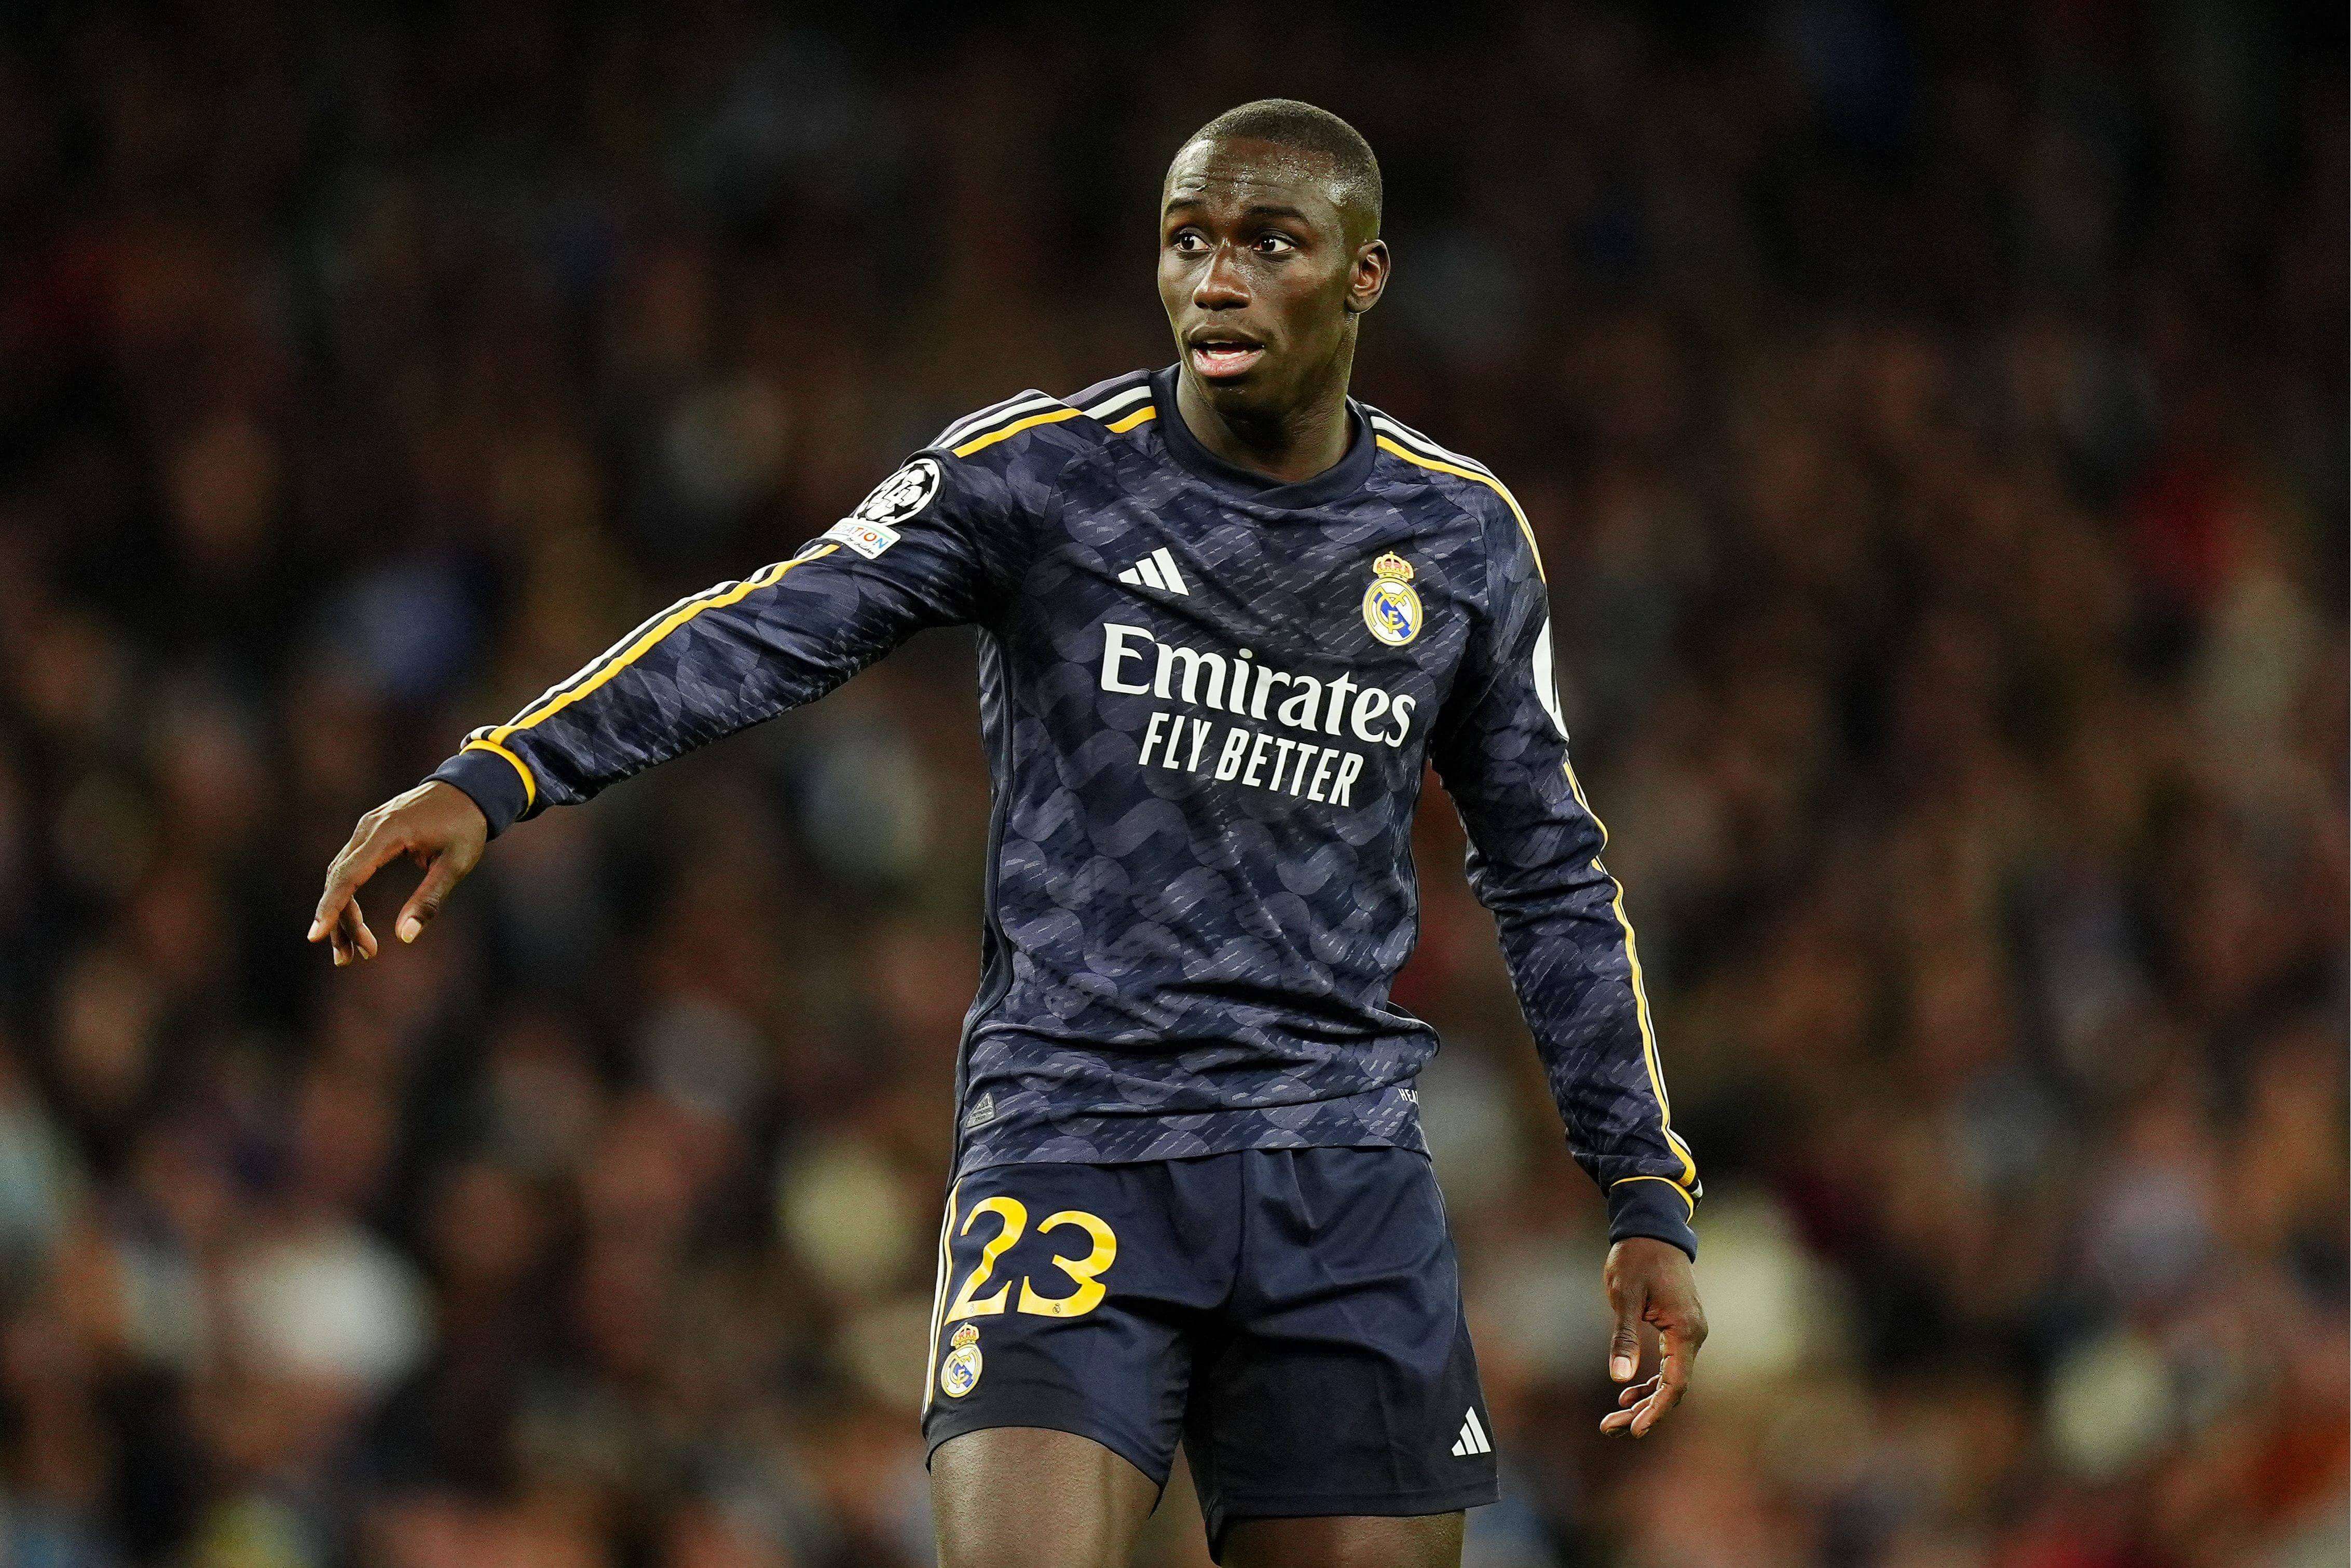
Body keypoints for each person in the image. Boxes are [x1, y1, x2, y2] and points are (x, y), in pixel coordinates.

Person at [309, 98, 1706, 1568]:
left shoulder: (1459, 536)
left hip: (1338, 1171)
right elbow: (772, 625)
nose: (1216, 281)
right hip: (1071, 1145)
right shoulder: (1041, 476)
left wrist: (1641, 1185)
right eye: (1187, 242)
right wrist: (503, 773)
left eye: (1268, 245)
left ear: (1363, 275)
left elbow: (1548, 872)